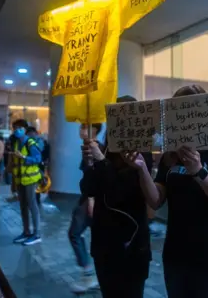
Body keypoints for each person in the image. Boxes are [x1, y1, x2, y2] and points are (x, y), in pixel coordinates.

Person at [138, 84, 208, 298]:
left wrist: (199, 172)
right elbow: (155, 199)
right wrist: (141, 168)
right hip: (178, 261)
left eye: (192, 113)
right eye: (179, 114)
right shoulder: (171, 156)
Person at [80, 95, 154, 298]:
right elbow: (88, 189)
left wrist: (101, 161)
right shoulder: (104, 149)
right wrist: (89, 163)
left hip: (132, 247)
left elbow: (122, 193)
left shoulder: (141, 155)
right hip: (104, 244)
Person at [69, 123, 102, 293]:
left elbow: (96, 177)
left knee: (75, 233)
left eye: (84, 127)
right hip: (86, 198)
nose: (80, 130)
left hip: (89, 199)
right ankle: (91, 273)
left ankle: (89, 274)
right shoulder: (88, 147)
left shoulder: (95, 148)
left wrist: (91, 199)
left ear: (94, 129)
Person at [10, 119, 43, 246]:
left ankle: (37, 234)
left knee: (32, 205)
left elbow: (38, 158)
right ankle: (26, 232)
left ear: (24, 129)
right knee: (23, 206)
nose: (16, 130)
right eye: (14, 128)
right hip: (20, 179)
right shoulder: (17, 143)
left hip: (30, 179)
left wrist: (23, 158)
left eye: (19, 128)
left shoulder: (30, 143)